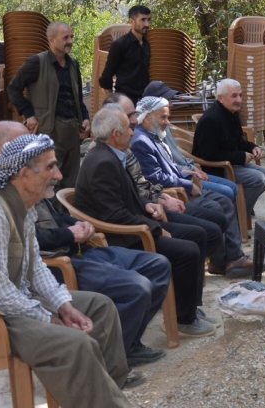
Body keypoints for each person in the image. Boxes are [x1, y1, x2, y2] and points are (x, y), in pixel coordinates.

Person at [0, 133, 136, 407]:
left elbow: (35, 267)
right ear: (24, 174)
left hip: (7, 305)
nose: (58, 175)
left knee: (100, 308)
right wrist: (48, 318)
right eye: (50, 167)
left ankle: (106, 396)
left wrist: (63, 306)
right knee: (73, 343)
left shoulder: (23, 205)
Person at [75, 106, 218, 336]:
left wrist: (148, 205)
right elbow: (113, 216)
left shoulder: (111, 155)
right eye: (129, 128)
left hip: (136, 223)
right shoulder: (102, 162)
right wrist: (155, 229)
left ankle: (189, 307)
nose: (133, 132)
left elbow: (126, 199)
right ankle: (183, 319)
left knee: (199, 234)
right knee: (188, 251)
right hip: (124, 236)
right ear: (115, 134)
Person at [131, 95, 252, 278]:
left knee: (224, 200)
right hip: (172, 195)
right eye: (163, 117)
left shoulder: (152, 135)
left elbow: (168, 167)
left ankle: (227, 259)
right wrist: (186, 184)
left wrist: (187, 172)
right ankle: (226, 260)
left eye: (167, 117)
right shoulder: (141, 140)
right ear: (148, 118)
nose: (167, 122)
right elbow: (155, 177)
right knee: (219, 205)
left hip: (179, 186)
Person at [6, 21, 90, 190]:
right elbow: (13, 88)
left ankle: (68, 215)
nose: (70, 41)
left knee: (71, 181)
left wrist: (86, 117)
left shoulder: (74, 65)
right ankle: (50, 216)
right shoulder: (36, 62)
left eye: (71, 37)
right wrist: (28, 113)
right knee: (49, 181)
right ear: (51, 40)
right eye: (65, 37)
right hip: (49, 131)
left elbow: (78, 97)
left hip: (72, 131)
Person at [139, 81, 240, 204]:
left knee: (232, 190)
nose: (171, 103)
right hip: (179, 182)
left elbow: (173, 156)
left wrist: (192, 167)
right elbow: (159, 175)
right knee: (227, 195)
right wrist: (189, 176)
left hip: (184, 173)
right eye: (166, 100)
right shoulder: (147, 136)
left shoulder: (161, 126)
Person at [192, 78, 265, 216]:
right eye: (234, 96)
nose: (239, 100)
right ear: (220, 98)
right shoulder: (211, 120)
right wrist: (241, 156)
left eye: (240, 95)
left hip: (232, 163)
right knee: (258, 179)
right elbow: (207, 154)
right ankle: (238, 216)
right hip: (217, 168)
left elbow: (238, 142)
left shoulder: (232, 113)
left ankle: (243, 211)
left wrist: (252, 147)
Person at [98, 5, 152, 102]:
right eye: (143, 20)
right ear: (132, 21)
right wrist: (113, 101)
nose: (147, 24)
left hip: (144, 98)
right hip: (125, 98)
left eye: (149, 20)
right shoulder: (119, 45)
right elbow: (107, 76)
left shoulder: (146, 44)